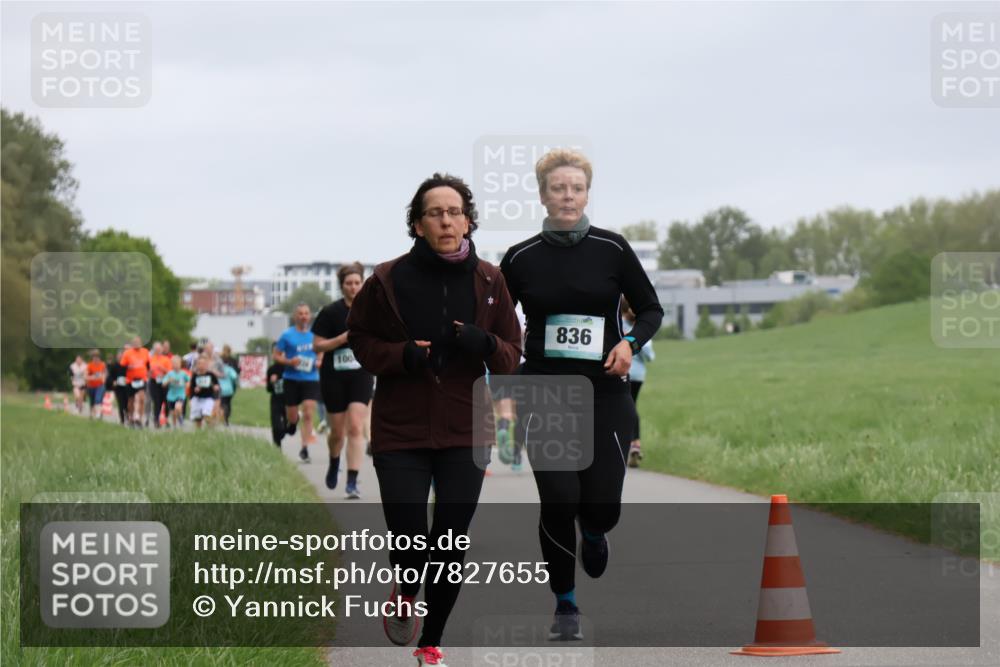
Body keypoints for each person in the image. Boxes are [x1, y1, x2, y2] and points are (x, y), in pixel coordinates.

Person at [348, 173, 521, 667]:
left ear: (468, 219)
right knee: (409, 539)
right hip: (401, 428)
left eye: (454, 211)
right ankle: (405, 585)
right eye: (434, 213)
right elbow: (359, 340)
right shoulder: (386, 280)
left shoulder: (490, 281)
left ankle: (432, 641)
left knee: (449, 541)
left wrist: (484, 345)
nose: (446, 220)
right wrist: (403, 355)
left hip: (465, 429)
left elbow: (512, 352)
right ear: (417, 224)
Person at [499, 149, 663, 641]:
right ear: (543, 194)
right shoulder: (520, 258)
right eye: (557, 188)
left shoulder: (613, 249)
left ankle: (594, 533)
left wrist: (629, 344)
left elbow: (651, 309)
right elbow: (501, 327)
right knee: (558, 497)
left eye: (575, 188)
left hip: (606, 393)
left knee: (601, 506)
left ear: (587, 194)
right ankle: (565, 604)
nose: (567, 196)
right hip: (544, 392)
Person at [312, 262, 375, 497]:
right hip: (333, 376)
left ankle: (352, 481)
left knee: (357, 427)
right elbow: (317, 345)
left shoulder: (371, 311)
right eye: (349, 283)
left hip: (361, 374)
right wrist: (341, 339)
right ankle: (334, 460)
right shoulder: (330, 312)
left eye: (357, 283)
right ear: (342, 286)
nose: (353, 287)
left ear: (362, 284)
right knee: (337, 432)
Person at [275, 303, 321, 462]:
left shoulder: (316, 335)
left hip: (311, 379)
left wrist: (319, 361)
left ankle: (305, 448)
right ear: (295, 316)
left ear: (310, 316)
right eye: (300, 313)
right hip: (292, 379)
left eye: (306, 313)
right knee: (293, 416)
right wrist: (289, 361)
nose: (304, 316)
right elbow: (276, 355)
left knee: (308, 413)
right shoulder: (287, 335)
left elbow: (321, 353)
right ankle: (292, 424)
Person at [622, 297, 654, 467]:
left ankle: (631, 444)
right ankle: (634, 443)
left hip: (626, 374)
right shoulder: (642, 328)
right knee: (631, 407)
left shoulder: (623, 325)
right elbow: (650, 354)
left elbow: (650, 356)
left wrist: (630, 344)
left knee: (628, 407)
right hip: (633, 374)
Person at [120, 336, 151, 427]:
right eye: (135, 342)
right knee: (131, 400)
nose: (137, 344)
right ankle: (131, 417)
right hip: (130, 380)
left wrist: (148, 373)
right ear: (132, 344)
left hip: (142, 379)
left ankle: (139, 418)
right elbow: (122, 366)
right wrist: (128, 368)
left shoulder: (145, 352)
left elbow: (148, 364)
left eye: (138, 342)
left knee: (141, 398)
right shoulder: (127, 353)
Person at [188, 355, 220, 429]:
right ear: (197, 365)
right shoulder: (195, 375)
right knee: (197, 418)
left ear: (206, 365)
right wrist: (193, 393)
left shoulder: (211, 375)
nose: (201, 366)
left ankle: (211, 427)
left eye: (203, 364)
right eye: (199, 364)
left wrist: (216, 388)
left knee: (206, 414)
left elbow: (217, 386)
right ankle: (199, 432)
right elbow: (191, 389)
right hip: (197, 398)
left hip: (208, 398)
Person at [266, 343, 287, 447]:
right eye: (274, 352)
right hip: (275, 400)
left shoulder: (288, 368)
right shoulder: (271, 369)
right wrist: (271, 382)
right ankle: (277, 448)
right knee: (276, 425)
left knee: (287, 425)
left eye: (278, 352)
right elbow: (268, 389)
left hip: (287, 400)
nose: (276, 355)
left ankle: (282, 433)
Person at [149, 342, 172, 427]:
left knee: (166, 401)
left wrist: (163, 369)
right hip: (154, 382)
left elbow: (170, 372)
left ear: (162, 350)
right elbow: (147, 371)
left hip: (164, 382)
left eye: (159, 349)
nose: (158, 351)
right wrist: (150, 372)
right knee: (157, 402)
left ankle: (166, 418)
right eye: (156, 349)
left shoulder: (166, 359)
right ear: (154, 350)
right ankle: (156, 420)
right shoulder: (151, 359)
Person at [162, 356, 190, 428]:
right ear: (172, 365)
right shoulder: (170, 374)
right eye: (174, 364)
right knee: (173, 413)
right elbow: (163, 384)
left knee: (178, 407)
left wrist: (187, 384)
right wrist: (168, 381)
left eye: (177, 363)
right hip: (171, 396)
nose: (176, 365)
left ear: (180, 364)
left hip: (180, 394)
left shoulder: (183, 373)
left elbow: (189, 381)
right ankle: (174, 426)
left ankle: (180, 418)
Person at [106, 348, 129, 425]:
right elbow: (109, 377)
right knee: (121, 404)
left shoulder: (127, 365)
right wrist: (113, 382)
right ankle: (122, 420)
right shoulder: (114, 366)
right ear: (117, 357)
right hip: (118, 388)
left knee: (127, 403)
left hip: (127, 387)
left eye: (122, 356)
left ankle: (128, 417)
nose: (120, 358)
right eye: (119, 356)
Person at [84, 349, 107, 419]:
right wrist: (93, 377)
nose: (96, 359)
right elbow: (85, 376)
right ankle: (92, 414)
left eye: (97, 357)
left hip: (100, 385)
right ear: (92, 357)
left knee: (98, 399)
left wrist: (102, 378)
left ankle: (98, 414)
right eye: (94, 357)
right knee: (92, 400)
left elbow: (104, 376)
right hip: (91, 386)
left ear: (99, 357)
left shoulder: (102, 365)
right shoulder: (89, 365)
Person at [218, 362, 239, 426]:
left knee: (222, 404)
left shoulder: (217, 369)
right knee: (228, 404)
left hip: (220, 389)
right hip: (229, 390)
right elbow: (235, 376)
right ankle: (226, 418)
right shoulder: (229, 369)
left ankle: (223, 418)